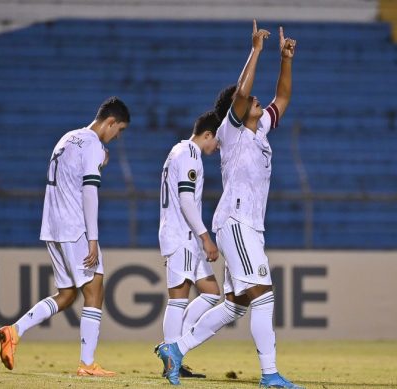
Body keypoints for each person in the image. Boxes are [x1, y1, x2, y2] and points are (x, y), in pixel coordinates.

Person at [158, 20, 303, 388]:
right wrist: (256, 51)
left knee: (236, 304)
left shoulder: (261, 130)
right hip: (236, 222)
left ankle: (175, 349)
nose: (258, 102)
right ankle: (270, 374)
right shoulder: (231, 131)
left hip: (249, 225)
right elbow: (242, 93)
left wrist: (285, 60)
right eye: (252, 101)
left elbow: (282, 98)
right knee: (264, 295)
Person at [0, 96, 130, 377]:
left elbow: (72, 174)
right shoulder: (93, 145)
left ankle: (14, 331)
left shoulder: (68, 137)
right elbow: (89, 191)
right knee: (95, 288)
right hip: (74, 227)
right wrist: (92, 238)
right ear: (110, 121)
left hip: (52, 226)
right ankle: (87, 364)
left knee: (68, 294)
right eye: (119, 130)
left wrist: (100, 159)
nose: (117, 137)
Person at [155, 110, 222, 379]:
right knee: (178, 300)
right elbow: (185, 200)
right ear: (208, 134)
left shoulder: (177, 151)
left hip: (185, 237)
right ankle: (171, 360)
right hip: (182, 236)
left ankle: (173, 348)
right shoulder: (190, 155)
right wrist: (206, 237)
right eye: (217, 141)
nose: (217, 147)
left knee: (211, 293)